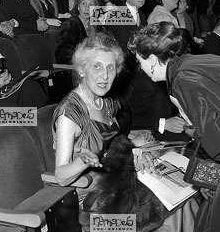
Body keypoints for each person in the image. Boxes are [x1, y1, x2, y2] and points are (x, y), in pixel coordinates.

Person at [128, 22, 220, 232]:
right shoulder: (194, 63)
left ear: (154, 59)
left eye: (140, 61)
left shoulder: (184, 78)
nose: (141, 68)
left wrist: (191, 125)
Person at [53, 33, 152, 205]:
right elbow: (61, 177)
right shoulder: (69, 114)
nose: (105, 76)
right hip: (94, 197)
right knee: (162, 211)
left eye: (110, 68)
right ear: (82, 70)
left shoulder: (105, 99)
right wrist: (82, 162)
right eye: (97, 67)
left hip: (116, 178)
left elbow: (112, 143)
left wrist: (134, 150)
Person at [55, 0, 100, 64]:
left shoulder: (96, 25)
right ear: (78, 6)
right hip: (74, 67)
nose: (86, 8)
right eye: (83, 4)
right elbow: (63, 54)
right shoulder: (71, 24)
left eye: (91, 5)